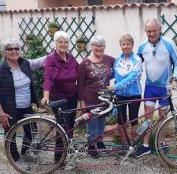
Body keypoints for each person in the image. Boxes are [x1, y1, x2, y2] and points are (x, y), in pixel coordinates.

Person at [133, 18, 177, 158]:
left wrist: (175, 78)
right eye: (149, 31)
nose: (152, 33)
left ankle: (161, 144)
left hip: (164, 88)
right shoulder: (142, 46)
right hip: (150, 87)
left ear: (160, 29)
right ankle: (145, 146)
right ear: (145, 31)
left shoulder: (169, 43)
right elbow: (135, 64)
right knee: (147, 118)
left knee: (163, 117)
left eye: (154, 30)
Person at [0, 38, 46, 162]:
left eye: (17, 48)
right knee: (11, 134)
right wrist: (1, 113)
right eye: (10, 49)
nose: (14, 51)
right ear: (4, 52)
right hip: (10, 107)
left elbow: (40, 62)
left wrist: (56, 52)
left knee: (32, 130)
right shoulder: (1, 69)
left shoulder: (24, 63)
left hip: (26, 105)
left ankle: (25, 152)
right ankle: (14, 159)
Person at [41, 31, 79, 163]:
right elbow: (47, 78)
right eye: (60, 42)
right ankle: (58, 158)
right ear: (55, 43)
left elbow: (79, 73)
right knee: (62, 127)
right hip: (58, 98)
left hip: (72, 96)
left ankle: (68, 153)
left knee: (71, 125)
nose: (63, 44)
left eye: (65, 42)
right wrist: (46, 96)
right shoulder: (51, 59)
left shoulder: (70, 57)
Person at [78, 35, 115, 158]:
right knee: (92, 122)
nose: (99, 48)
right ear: (92, 47)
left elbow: (121, 66)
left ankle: (99, 142)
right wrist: (81, 101)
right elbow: (80, 84)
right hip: (90, 97)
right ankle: (91, 145)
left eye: (101, 45)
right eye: (96, 45)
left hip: (104, 97)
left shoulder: (109, 60)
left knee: (102, 120)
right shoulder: (84, 63)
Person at [108, 34, 142, 139]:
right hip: (120, 94)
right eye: (123, 44)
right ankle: (124, 143)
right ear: (120, 46)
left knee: (133, 119)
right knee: (121, 119)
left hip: (134, 94)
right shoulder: (117, 59)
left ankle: (133, 142)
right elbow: (112, 73)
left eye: (128, 44)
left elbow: (133, 76)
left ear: (132, 45)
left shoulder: (137, 59)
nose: (126, 46)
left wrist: (116, 86)